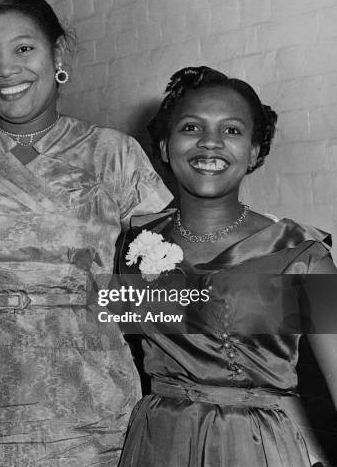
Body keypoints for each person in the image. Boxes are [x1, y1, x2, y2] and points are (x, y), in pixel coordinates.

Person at [0, 0, 172, 467]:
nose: (5, 69)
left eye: (24, 49)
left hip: (89, 405)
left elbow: (169, 279)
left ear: (58, 54)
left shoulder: (114, 153)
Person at [115, 66, 337, 467]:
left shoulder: (303, 254)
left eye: (232, 130)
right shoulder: (133, 243)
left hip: (253, 449)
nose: (210, 143)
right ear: (164, 146)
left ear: (254, 151)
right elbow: (117, 349)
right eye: (191, 128)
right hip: (155, 445)